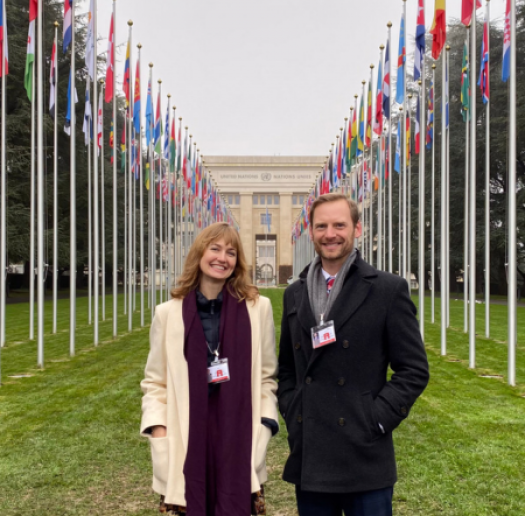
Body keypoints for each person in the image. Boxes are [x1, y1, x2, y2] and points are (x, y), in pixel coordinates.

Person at [278, 193, 429, 516]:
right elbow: (287, 368)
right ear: (311, 231)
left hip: (364, 454)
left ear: (356, 229)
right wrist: (294, 410)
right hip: (312, 453)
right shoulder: (294, 293)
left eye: (339, 225)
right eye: (321, 226)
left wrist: (375, 419)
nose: (330, 234)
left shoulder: (387, 289)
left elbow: (413, 369)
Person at [141, 222, 279, 516]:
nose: (222, 258)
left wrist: (265, 425)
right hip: (187, 431)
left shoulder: (258, 308)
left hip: (238, 431)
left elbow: (267, 375)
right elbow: (155, 382)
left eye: (231, 252)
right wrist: (158, 428)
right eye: (214, 248)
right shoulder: (168, 314)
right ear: (199, 253)